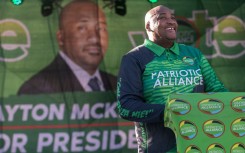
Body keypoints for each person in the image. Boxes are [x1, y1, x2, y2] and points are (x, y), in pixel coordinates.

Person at [117, 5, 228, 153]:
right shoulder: (134, 58)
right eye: (162, 17)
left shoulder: (194, 54)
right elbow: (126, 107)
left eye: (173, 18)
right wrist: (171, 111)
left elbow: (218, 90)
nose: (171, 22)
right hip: (159, 148)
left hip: (200, 145)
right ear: (148, 26)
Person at [18, 0, 117, 95]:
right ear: (61, 38)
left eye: (100, 28)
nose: (95, 38)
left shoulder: (118, 85)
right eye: (82, 28)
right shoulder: (37, 88)